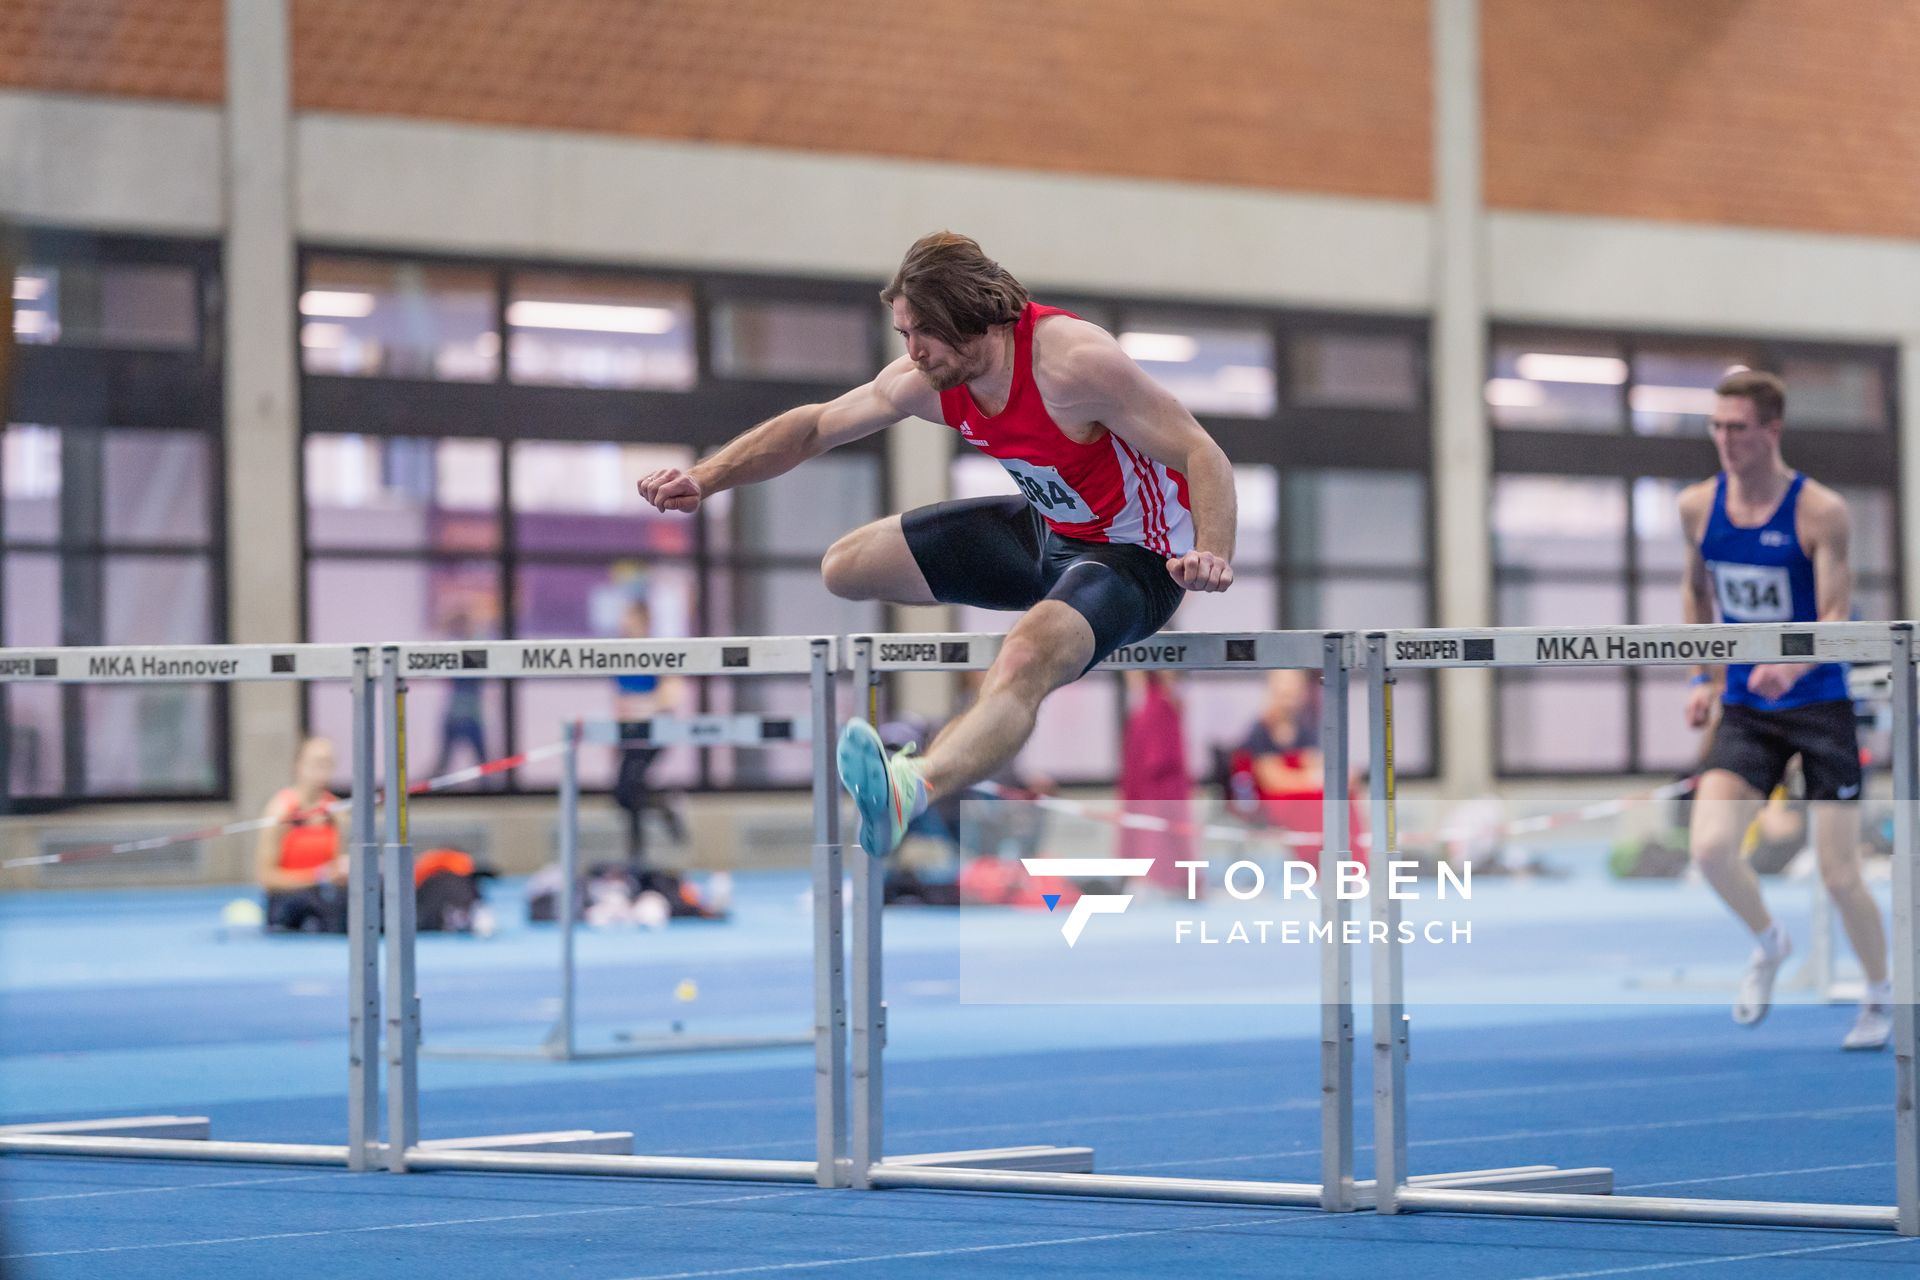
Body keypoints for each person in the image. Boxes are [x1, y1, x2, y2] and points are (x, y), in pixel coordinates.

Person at [638, 232, 1236, 857]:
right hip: (1047, 533)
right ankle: (1061, 610)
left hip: (1136, 557)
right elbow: (815, 427)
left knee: (1023, 658)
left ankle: (913, 787)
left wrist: (1212, 551)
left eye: (922, 332)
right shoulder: (930, 378)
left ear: (974, 318)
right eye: (903, 332)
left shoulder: (1073, 363)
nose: (912, 352)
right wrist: (704, 477)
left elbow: (1203, 453)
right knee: (845, 567)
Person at [1678, 368, 1888, 1050]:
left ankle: (1881, 995)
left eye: (1738, 427)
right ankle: (1769, 942)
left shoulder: (1819, 510)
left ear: (1772, 430)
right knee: (1709, 848)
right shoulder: (1695, 508)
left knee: (1838, 873)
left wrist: (1792, 663)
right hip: (1746, 707)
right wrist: (1702, 679)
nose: (1724, 439)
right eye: (1716, 426)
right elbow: (1696, 598)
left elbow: (1834, 613)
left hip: (1819, 701)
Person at [611, 596, 687, 865]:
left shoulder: (658, 650)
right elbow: (619, 698)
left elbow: (672, 693)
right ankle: (661, 805)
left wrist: (645, 706)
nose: (623, 623)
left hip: (656, 728)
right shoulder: (617, 653)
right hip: (629, 731)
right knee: (622, 794)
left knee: (631, 786)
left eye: (629, 617)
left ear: (643, 621)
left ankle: (636, 852)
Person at [255, 736, 349, 933]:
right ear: (298, 765)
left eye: (328, 763)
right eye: (316, 762)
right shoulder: (280, 810)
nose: (322, 770)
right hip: (287, 903)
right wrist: (319, 876)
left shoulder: (337, 812)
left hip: (325, 900)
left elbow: (338, 870)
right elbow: (265, 877)